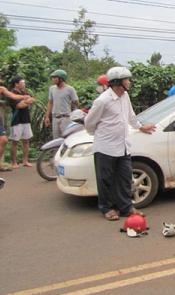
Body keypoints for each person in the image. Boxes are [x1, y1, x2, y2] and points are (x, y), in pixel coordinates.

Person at [84, 67, 156, 221]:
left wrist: (140, 127)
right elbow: (89, 123)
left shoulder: (125, 96)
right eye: (126, 80)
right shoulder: (103, 101)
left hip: (123, 146)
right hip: (105, 147)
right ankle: (107, 208)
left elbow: (130, 116)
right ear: (117, 82)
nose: (129, 82)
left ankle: (126, 207)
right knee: (105, 179)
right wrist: (100, 135)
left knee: (124, 178)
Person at [8, 76, 36, 169]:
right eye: (22, 82)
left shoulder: (24, 92)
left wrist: (25, 101)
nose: (24, 84)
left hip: (26, 119)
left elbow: (33, 99)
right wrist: (27, 101)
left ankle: (25, 160)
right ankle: (14, 162)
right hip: (17, 120)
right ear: (16, 84)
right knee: (15, 141)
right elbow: (19, 105)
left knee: (25, 141)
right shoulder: (11, 94)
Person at [44, 69, 80, 139]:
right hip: (55, 117)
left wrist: (69, 108)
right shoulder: (52, 89)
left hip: (65, 118)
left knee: (66, 138)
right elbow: (50, 102)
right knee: (56, 139)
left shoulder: (70, 89)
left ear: (61, 79)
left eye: (55, 77)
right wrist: (47, 116)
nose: (53, 79)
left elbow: (76, 102)